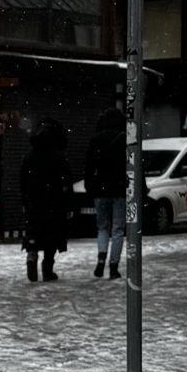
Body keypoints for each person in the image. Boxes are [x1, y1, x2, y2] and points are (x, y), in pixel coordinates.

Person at [18, 121, 72, 284]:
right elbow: (66, 181)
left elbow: (22, 180)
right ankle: (47, 268)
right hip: (54, 202)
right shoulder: (59, 157)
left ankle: (32, 255)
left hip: (34, 200)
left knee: (34, 230)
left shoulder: (29, 156)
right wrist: (68, 201)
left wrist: (25, 198)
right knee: (52, 234)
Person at [84, 106, 128, 280]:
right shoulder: (125, 139)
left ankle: (101, 257)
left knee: (102, 226)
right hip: (119, 188)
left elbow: (88, 166)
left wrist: (89, 185)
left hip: (100, 188)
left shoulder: (96, 140)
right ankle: (114, 266)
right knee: (118, 228)